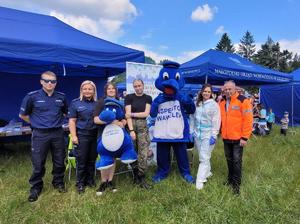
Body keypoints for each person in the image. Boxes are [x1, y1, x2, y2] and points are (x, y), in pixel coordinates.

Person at [19, 71, 68, 202]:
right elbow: (23, 115)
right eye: (46, 81)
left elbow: (65, 113)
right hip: (40, 134)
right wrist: (35, 123)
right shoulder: (32, 97)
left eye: (53, 81)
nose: (50, 83)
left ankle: (58, 182)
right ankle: (36, 187)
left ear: (56, 83)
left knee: (59, 160)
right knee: (38, 162)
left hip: (57, 133)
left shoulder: (61, 97)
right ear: (41, 81)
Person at [219, 80, 253, 195]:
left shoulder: (243, 100)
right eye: (226, 89)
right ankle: (230, 180)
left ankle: (236, 186)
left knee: (237, 161)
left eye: (230, 89)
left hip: (238, 138)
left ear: (235, 89)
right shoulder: (222, 101)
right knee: (229, 160)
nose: (227, 91)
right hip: (226, 137)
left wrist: (245, 137)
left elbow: (248, 120)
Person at [93, 82, 126, 195]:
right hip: (103, 134)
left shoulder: (120, 102)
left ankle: (110, 181)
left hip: (116, 135)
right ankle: (103, 182)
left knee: (112, 157)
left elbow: (123, 118)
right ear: (106, 91)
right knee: (104, 156)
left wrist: (122, 122)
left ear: (116, 91)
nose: (111, 90)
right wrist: (112, 121)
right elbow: (96, 120)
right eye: (109, 89)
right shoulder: (101, 102)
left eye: (113, 89)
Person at [68, 80, 98, 194]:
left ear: (94, 90)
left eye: (90, 89)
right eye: (85, 89)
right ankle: (80, 183)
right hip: (82, 135)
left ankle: (90, 180)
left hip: (94, 135)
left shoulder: (98, 103)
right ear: (81, 90)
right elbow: (72, 121)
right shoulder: (75, 103)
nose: (87, 91)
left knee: (92, 159)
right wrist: (74, 136)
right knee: (81, 160)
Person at [190, 84, 221, 190]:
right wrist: (191, 131)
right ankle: (207, 173)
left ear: (211, 93)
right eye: (205, 91)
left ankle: (200, 180)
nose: (206, 93)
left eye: (208, 91)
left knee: (203, 158)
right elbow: (192, 117)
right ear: (201, 92)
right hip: (197, 134)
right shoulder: (197, 103)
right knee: (203, 155)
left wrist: (214, 135)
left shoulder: (214, 105)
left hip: (208, 135)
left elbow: (216, 121)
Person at [125, 79, 152, 189]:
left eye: (139, 85)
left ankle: (141, 175)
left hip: (142, 127)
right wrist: (131, 130)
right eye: (135, 86)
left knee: (143, 152)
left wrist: (131, 114)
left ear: (143, 86)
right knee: (133, 151)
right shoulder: (129, 97)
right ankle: (135, 175)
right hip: (131, 126)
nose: (137, 88)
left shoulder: (148, 98)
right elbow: (127, 117)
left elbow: (146, 113)